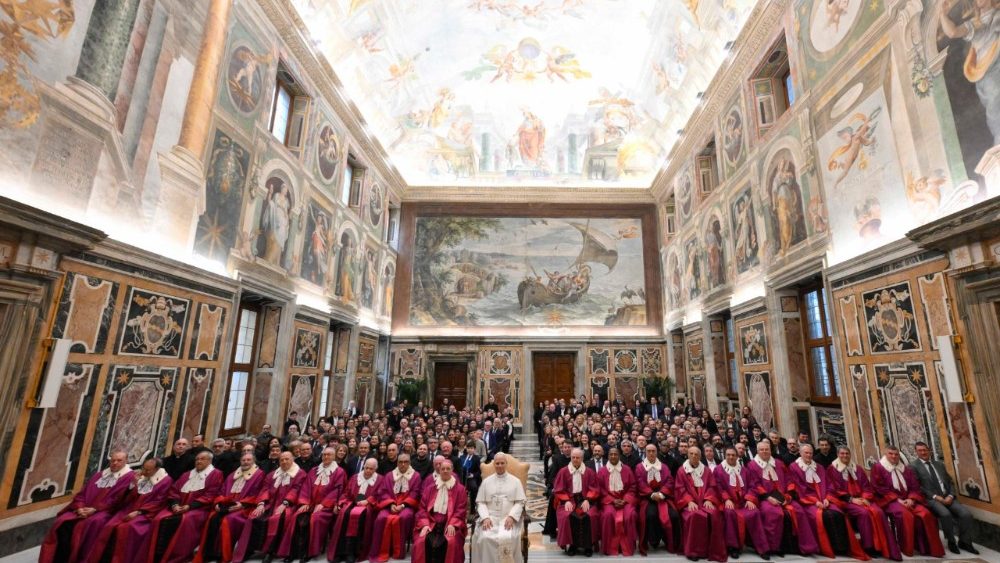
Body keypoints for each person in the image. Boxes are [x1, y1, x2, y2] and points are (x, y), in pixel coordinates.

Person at [39, 450, 133, 563]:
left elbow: (118, 500)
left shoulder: (129, 477)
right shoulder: (100, 475)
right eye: (113, 460)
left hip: (106, 511)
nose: (115, 463)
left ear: (126, 461)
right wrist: (79, 507)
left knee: (93, 523)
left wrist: (95, 509)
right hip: (85, 508)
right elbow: (82, 494)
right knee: (63, 521)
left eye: (119, 460)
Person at [787, 444, 868, 559]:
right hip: (807, 502)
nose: (809, 455)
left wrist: (827, 498)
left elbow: (829, 485)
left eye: (810, 453)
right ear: (800, 453)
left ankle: (841, 547)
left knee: (838, 514)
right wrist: (815, 502)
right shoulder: (794, 467)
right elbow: (799, 489)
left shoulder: (819, 467)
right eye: (806, 453)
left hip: (824, 500)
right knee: (821, 516)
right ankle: (825, 547)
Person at [744, 440, 817, 557]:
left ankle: (802, 547)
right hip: (765, 498)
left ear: (770, 450)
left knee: (799, 511)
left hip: (783, 496)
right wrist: (768, 497)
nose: (764, 452)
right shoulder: (752, 465)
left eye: (766, 449)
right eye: (762, 450)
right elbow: (755, 484)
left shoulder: (779, 463)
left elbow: (789, 479)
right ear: (757, 451)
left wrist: (788, 495)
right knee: (773, 513)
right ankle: (773, 547)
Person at [826, 446, 901, 561]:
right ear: (837, 454)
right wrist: (852, 499)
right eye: (842, 454)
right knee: (864, 513)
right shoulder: (832, 469)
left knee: (878, 512)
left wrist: (865, 497)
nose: (845, 456)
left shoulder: (858, 468)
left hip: (862, 499)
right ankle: (869, 547)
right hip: (845, 501)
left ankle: (882, 546)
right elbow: (834, 489)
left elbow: (866, 486)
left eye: (847, 453)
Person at [871, 445, 945, 557]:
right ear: (885, 454)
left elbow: (914, 486)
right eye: (890, 454)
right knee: (906, 516)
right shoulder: (878, 467)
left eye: (896, 454)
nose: (894, 456)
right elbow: (879, 487)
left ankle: (927, 548)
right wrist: (897, 500)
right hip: (890, 501)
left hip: (909, 499)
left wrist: (911, 498)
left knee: (926, 514)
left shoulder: (905, 468)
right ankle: (906, 547)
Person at [149, 451, 223, 563]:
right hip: (179, 506)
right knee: (159, 519)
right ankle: (156, 554)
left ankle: (175, 556)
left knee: (184, 520)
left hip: (200, 509)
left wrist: (189, 506)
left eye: (202, 459)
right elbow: (174, 490)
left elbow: (211, 494)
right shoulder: (186, 475)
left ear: (210, 461)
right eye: (197, 459)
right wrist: (174, 504)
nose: (198, 461)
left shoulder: (216, 474)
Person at [232, 451, 307, 563]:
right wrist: (261, 503)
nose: (284, 461)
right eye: (281, 459)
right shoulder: (272, 474)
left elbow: (296, 489)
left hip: (289, 505)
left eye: (287, 459)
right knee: (254, 517)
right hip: (269, 504)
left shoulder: (300, 473)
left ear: (293, 460)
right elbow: (265, 488)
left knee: (276, 519)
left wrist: (285, 503)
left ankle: (270, 552)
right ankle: (249, 550)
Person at [194, 452, 266, 563]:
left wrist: (243, 504)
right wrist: (218, 503)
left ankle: (223, 555)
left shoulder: (259, 474)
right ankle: (209, 553)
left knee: (228, 520)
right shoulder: (233, 474)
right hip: (227, 505)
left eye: (248, 460)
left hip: (245, 508)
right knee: (212, 518)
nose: (246, 462)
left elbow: (257, 493)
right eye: (243, 460)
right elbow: (222, 491)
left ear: (253, 462)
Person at [911, 440, 979, 554]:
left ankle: (964, 542)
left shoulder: (939, 464)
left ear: (929, 450)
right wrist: (935, 496)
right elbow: (918, 487)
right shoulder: (913, 466)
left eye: (925, 450)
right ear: (916, 452)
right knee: (945, 514)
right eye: (920, 451)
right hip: (931, 499)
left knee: (966, 514)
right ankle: (951, 542)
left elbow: (950, 481)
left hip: (948, 497)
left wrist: (951, 495)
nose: (923, 452)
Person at [284, 446, 347, 561]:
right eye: (324, 455)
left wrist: (324, 504)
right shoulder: (314, 470)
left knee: (315, 519)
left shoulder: (339, 472)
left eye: (329, 455)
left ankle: (309, 552)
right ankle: (293, 552)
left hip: (327, 507)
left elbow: (337, 491)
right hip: (310, 503)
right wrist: (304, 502)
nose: (326, 457)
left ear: (334, 457)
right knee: (297, 516)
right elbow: (306, 487)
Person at [714, 446, 769, 559]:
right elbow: (718, 487)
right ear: (725, 455)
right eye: (728, 455)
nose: (731, 457)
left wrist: (749, 499)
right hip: (730, 502)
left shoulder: (744, 470)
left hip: (744, 502)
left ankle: (760, 547)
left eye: (733, 455)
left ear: (737, 456)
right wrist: (727, 499)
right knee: (729, 514)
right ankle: (733, 547)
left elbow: (752, 486)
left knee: (754, 512)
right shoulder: (718, 470)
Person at [675, 446, 727, 562]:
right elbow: (680, 489)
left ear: (700, 456)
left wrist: (709, 499)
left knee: (714, 514)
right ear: (688, 455)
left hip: (704, 502)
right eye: (691, 454)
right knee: (694, 516)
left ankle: (711, 550)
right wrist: (689, 501)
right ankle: (694, 551)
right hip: (690, 503)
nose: (694, 456)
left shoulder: (707, 471)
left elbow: (712, 487)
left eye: (696, 454)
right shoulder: (682, 471)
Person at [473, 453, 527, 563]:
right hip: (490, 518)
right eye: (497, 463)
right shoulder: (486, 481)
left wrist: (512, 517)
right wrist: (485, 517)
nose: (500, 465)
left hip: (508, 518)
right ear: (494, 465)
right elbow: (480, 502)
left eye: (502, 463)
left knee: (509, 538)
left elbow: (520, 502)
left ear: (506, 464)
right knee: (484, 538)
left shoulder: (515, 481)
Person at [369, 453, 422, 562]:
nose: (403, 464)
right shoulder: (389, 475)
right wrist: (391, 504)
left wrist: (403, 505)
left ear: (409, 463)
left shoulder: (415, 475)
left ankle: (397, 550)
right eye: (400, 462)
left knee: (404, 517)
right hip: (390, 505)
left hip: (406, 505)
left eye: (405, 462)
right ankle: (381, 550)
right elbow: (383, 491)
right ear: (397, 463)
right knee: (381, 518)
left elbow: (415, 493)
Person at [412, 460, 467, 563]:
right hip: (431, 523)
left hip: (449, 523)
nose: (445, 471)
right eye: (443, 469)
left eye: (448, 469)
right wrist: (424, 524)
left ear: (452, 470)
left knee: (452, 542)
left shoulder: (460, 489)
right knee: (420, 541)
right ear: (439, 470)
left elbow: (461, 509)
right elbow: (422, 509)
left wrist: (453, 524)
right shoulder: (430, 488)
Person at [328, 458, 379, 563]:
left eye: (371, 469)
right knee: (344, 514)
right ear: (363, 466)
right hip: (352, 503)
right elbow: (346, 493)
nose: (368, 471)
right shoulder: (355, 477)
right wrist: (340, 503)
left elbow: (380, 495)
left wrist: (368, 501)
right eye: (366, 468)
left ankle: (351, 552)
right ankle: (340, 552)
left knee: (357, 516)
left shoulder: (379, 479)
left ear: (375, 469)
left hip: (367, 507)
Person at [552, 448, 600, 556]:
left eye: (577, 457)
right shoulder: (563, 471)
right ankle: (572, 545)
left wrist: (588, 499)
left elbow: (595, 489)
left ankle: (588, 546)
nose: (575, 459)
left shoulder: (589, 472)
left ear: (582, 458)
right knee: (567, 516)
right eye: (573, 457)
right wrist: (566, 500)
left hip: (586, 500)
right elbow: (559, 489)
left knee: (590, 516)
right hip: (569, 500)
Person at [637, 443, 678, 555]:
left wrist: (661, 494)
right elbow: (640, 483)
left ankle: (669, 541)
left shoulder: (664, 467)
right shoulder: (640, 467)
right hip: (648, 499)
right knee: (650, 515)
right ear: (645, 452)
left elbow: (670, 481)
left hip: (663, 498)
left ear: (657, 452)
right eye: (649, 451)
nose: (651, 453)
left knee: (673, 515)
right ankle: (654, 541)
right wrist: (651, 494)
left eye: (653, 451)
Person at [596, 447, 638, 556]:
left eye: (615, 454)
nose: (613, 456)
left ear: (619, 456)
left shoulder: (627, 469)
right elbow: (600, 489)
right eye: (611, 454)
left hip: (625, 501)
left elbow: (633, 487)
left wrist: (625, 499)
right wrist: (612, 500)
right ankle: (610, 547)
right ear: (608, 456)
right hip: (609, 501)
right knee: (607, 515)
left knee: (630, 515)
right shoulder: (602, 471)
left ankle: (627, 546)